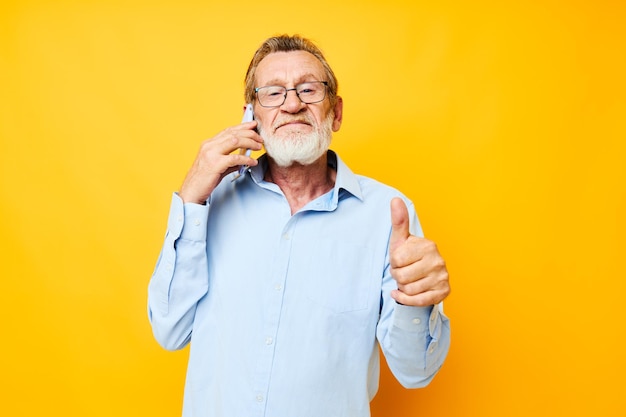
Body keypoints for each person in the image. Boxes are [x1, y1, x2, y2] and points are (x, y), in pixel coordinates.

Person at [148, 34, 451, 417]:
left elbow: (415, 372)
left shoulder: (388, 214)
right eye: (273, 93)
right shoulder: (212, 201)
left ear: (335, 113)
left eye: (309, 89)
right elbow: (170, 330)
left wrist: (417, 301)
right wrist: (191, 198)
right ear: (252, 116)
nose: (292, 104)